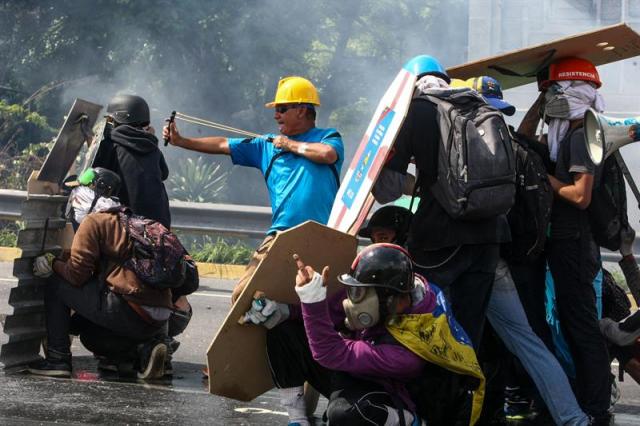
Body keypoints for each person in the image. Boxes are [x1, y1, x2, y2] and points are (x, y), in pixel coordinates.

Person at [244, 244, 483, 425]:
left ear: (391, 299)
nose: (351, 301)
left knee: (345, 414)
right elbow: (331, 314)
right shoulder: (401, 294)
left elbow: (330, 352)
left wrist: (311, 299)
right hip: (359, 370)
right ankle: (297, 418)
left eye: (361, 295)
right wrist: (285, 311)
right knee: (283, 331)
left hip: (393, 393)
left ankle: (408, 421)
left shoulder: (407, 351)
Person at [163, 76, 344, 302]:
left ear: (301, 110)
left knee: (320, 302)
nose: (276, 114)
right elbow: (222, 144)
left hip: (319, 235)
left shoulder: (328, 137)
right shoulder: (265, 145)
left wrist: (288, 144)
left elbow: (327, 154)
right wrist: (182, 141)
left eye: (282, 108)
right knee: (242, 296)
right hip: (281, 234)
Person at [373, 55, 511, 348]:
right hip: (489, 236)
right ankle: (464, 391)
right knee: (469, 333)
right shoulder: (478, 105)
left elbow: (387, 190)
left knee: (419, 322)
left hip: (439, 239)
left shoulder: (418, 110)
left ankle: (423, 392)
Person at [519, 57, 612, 425]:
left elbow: (580, 195)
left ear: (575, 94)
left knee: (581, 325)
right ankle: (580, 398)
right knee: (567, 325)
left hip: (575, 244)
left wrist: (545, 179)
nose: (554, 99)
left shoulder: (580, 136)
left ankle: (596, 406)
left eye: (558, 92)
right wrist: (541, 99)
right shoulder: (562, 136)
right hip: (562, 242)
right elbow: (523, 138)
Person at [28, 175, 174, 380]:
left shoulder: (93, 221)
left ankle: (57, 358)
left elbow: (76, 276)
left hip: (131, 309)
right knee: (92, 336)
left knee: (56, 283)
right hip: (158, 320)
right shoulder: (130, 219)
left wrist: (53, 264)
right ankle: (143, 352)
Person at [93, 94, 171, 228]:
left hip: (125, 225)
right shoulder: (152, 146)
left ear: (118, 119)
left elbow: (95, 176)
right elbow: (164, 174)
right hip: (158, 226)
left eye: (111, 120)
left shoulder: (109, 146)